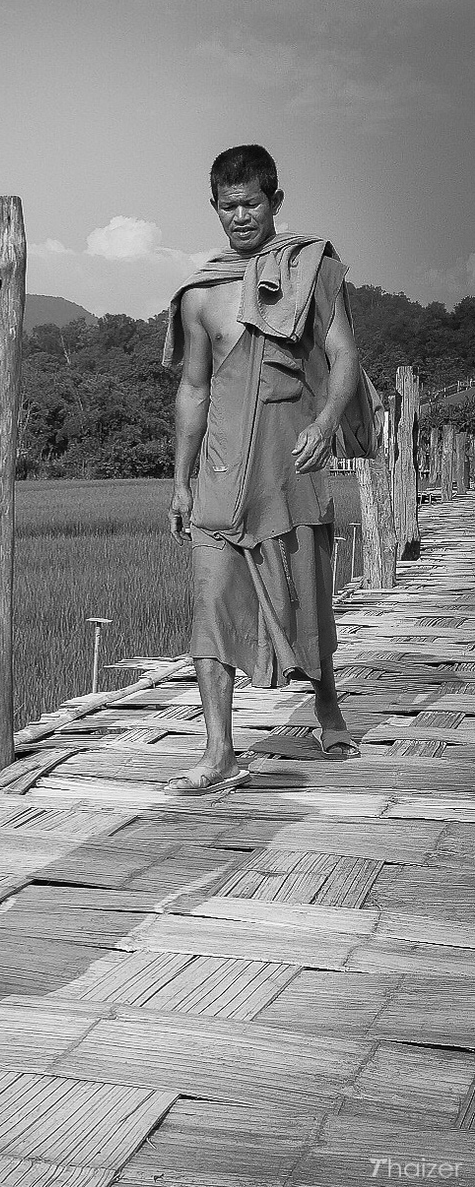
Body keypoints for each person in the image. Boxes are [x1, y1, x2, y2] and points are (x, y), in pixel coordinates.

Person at [164, 144, 378, 792]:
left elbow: (342, 356)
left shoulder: (311, 271)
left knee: (307, 592)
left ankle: (325, 706)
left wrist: (323, 422)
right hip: (221, 472)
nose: (238, 215)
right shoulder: (200, 296)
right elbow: (194, 391)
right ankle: (218, 751)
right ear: (213, 208)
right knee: (210, 605)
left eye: (250, 202)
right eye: (226, 205)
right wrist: (179, 479)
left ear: (274, 202)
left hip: (290, 461)